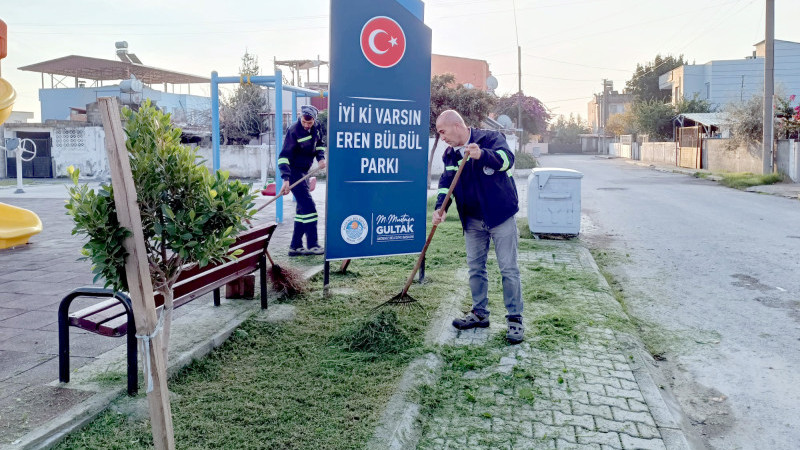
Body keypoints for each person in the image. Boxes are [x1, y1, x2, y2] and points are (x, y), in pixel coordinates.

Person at [432, 109, 524, 344]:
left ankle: (514, 319)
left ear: (457, 125)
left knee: (508, 269)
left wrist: (482, 155)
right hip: (472, 220)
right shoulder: (451, 154)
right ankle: (479, 314)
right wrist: (440, 207)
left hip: (500, 216)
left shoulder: (491, 139)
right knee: (475, 268)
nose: (442, 137)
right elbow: (446, 183)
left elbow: (507, 161)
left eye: (443, 131)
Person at [278, 104, 327, 256]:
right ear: (300, 117)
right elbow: (284, 157)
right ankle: (313, 245)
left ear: (314, 120)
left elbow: (319, 144)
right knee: (310, 208)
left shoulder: (317, 127)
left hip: (304, 172)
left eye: (309, 122)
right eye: (304, 122)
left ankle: (295, 247)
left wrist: (321, 159)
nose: (306, 125)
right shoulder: (294, 131)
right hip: (293, 173)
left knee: (302, 210)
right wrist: (285, 179)